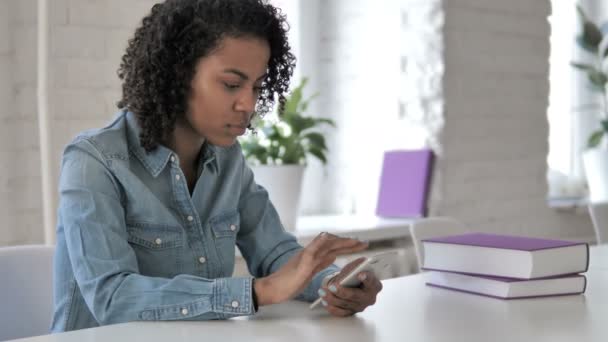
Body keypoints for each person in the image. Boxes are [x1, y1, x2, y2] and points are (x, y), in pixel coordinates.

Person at [51, 0, 382, 333]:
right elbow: (111, 297)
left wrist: (332, 284)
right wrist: (257, 292)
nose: (249, 104)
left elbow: (274, 251)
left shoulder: (227, 159)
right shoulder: (93, 162)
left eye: (256, 86)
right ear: (177, 75)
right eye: (231, 84)